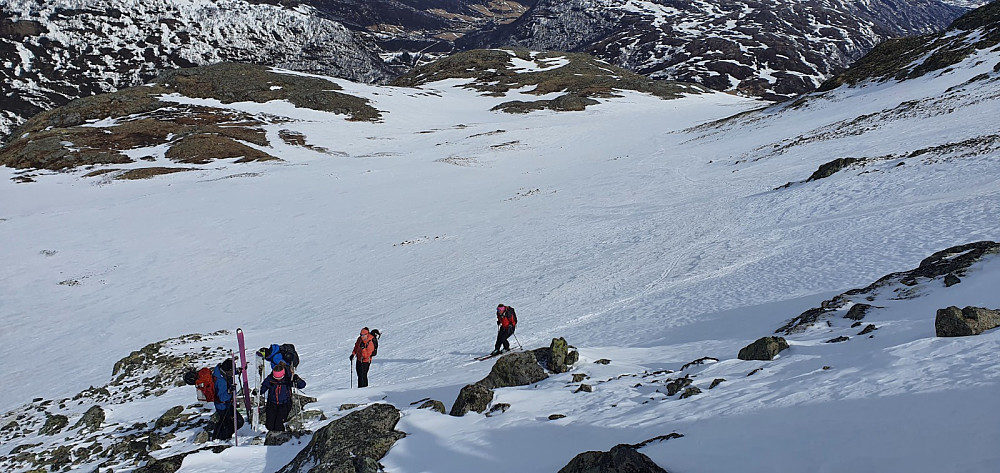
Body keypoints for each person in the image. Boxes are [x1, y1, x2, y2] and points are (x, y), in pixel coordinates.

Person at [260, 362, 306, 432]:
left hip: (285, 404)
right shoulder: (270, 378)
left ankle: (280, 438)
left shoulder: (288, 378)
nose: (278, 380)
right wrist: (258, 392)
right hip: (272, 404)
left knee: (278, 424)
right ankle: (272, 437)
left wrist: (298, 380)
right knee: (269, 425)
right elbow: (263, 387)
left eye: (280, 378)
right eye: (276, 378)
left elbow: (302, 385)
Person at [211, 358, 244, 440]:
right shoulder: (221, 381)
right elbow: (222, 398)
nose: (232, 374)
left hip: (225, 405)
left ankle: (217, 437)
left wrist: (237, 371)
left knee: (224, 422)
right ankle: (223, 437)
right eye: (231, 372)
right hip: (223, 406)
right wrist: (230, 392)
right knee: (236, 422)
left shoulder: (221, 372)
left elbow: (228, 372)